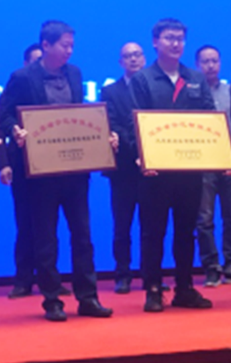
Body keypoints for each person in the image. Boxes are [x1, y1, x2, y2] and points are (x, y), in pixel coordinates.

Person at [0, 20, 115, 322]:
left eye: (72, 45)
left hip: (74, 169)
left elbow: (78, 115)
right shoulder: (22, 77)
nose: (69, 51)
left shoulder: (75, 73)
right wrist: (15, 130)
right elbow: (3, 114)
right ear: (46, 45)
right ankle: (52, 300)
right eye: (64, 45)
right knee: (46, 239)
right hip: (40, 173)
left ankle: (88, 297)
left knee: (83, 235)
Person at [127, 18, 215, 313]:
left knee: (186, 231)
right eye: (169, 38)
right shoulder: (143, 79)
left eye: (180, 38)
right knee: (153, 232)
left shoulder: (195, 78)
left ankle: (185, 288)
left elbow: (210, 119)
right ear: (155, 42)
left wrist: (217, 154)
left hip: (189, 169)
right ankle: (153, 290)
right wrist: (142, 156)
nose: (175, 43)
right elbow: (135, 122)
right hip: (155, 171)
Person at [195, 45, 231, 288]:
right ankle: (211, 267)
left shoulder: (230, 92)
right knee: (204, 218)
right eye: (205, 61)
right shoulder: (191, 94)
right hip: (203, 161)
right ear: (197, 65)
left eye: (215, 61)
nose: (210, 65)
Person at [0, 42, 46, 299]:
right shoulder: (18, 82)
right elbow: (0, 121)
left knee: (48, 226)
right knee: (25, 223)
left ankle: (49, 278)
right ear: (27, 64)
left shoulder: (58, 84)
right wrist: (3, 163)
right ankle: (23, 279)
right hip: (22, 163)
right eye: (36, 60)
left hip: (52, 164)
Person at [101, 42, 146, 294]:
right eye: (128, 56)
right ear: (121, 62)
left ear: (144, 58)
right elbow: (113, 125)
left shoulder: (153, 86)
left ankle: (150, 274)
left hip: (151, 168)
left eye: (137, 55)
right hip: (123, 169)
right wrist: (137, 150)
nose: (133, 59)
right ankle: (123, 274)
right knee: (122, 224)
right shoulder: (110, 91)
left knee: (151, 226)